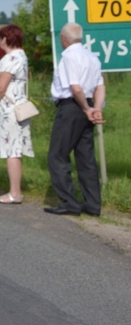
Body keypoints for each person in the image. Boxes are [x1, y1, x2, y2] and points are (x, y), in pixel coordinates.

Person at [44, 22, 105, 217]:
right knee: (85, 158)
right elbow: (100, 86)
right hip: (86, 104)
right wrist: (96, 107)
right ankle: (93, 204)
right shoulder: (92, 57)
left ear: (63, 39)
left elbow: (75, 87)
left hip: (72, 106)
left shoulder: (69, 57)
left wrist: (87, 109)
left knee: (57, 155)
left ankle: (69, 202)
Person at [0, 24, 34, 204]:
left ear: (6, 39)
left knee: (12, 150)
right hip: (12, 110)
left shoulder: (13, 57)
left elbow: (1, 88)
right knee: (14, 150)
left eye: (1, 37)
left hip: (8, 111)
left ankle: (14, 193)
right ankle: (15, 191)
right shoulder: (19, 56)